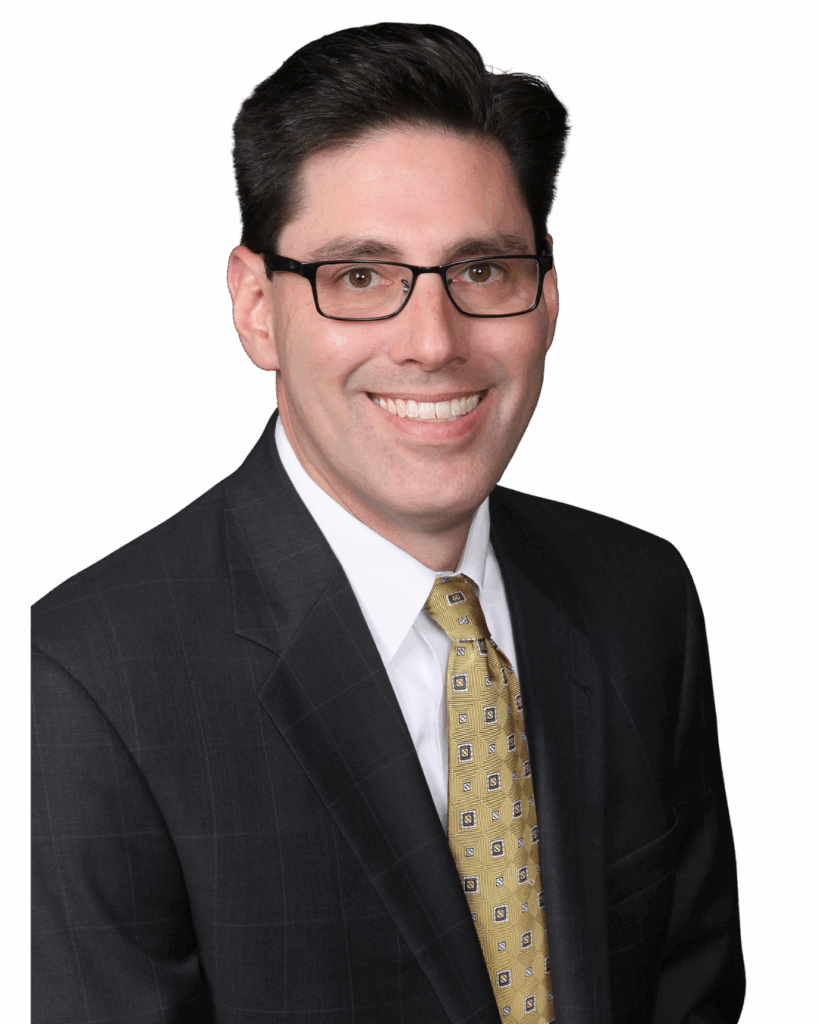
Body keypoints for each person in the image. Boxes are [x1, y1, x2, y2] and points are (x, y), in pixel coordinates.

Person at [30, 22, 743, 1024]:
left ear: (547, 300)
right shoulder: (88, 682)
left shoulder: (641, 599)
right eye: (360, 277)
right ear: (257, 307)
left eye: (482, 270)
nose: (433, 342)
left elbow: (691, 989)